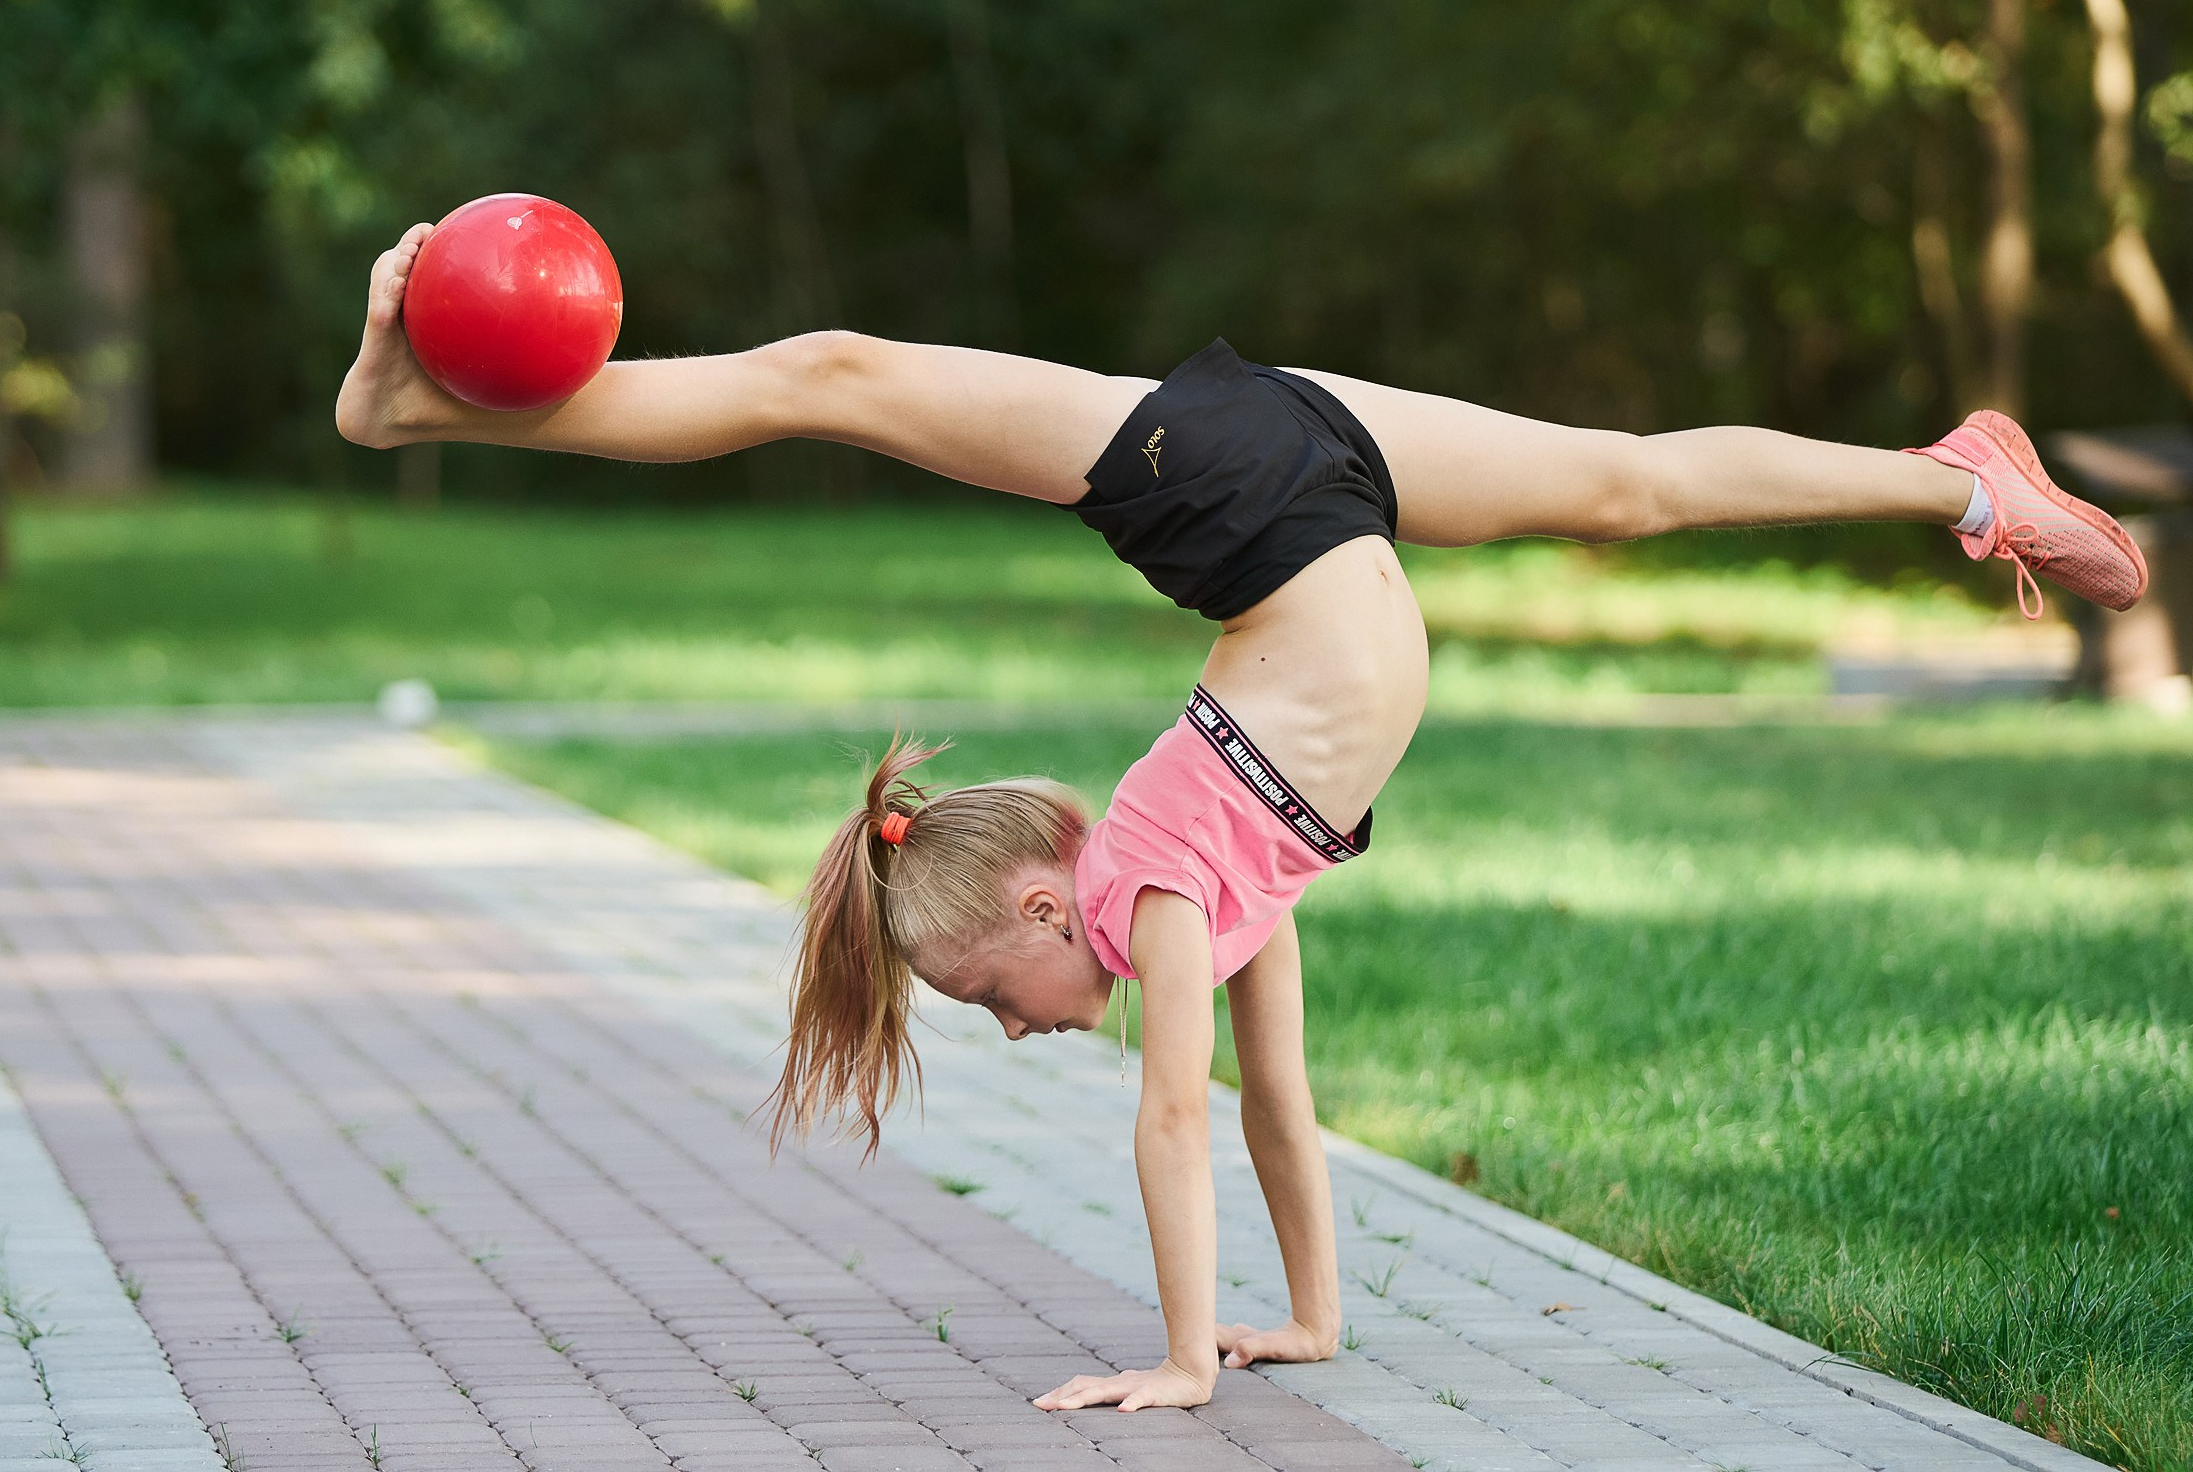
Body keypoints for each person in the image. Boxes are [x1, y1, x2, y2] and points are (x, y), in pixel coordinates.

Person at [338, 221, 2145, 1415]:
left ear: (1042, 911)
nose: (1015, 1032)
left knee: (833, 380)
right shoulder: (1214, 886)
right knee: (1625, 485)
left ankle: (423, 410)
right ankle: (1957, 483)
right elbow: (1276, 1097)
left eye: (984, 1001)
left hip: (1233, 497)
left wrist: (1187, 1362)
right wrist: (1310, 1320)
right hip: (1300, 473)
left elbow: (1177, 1117)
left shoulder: (1148, 887)